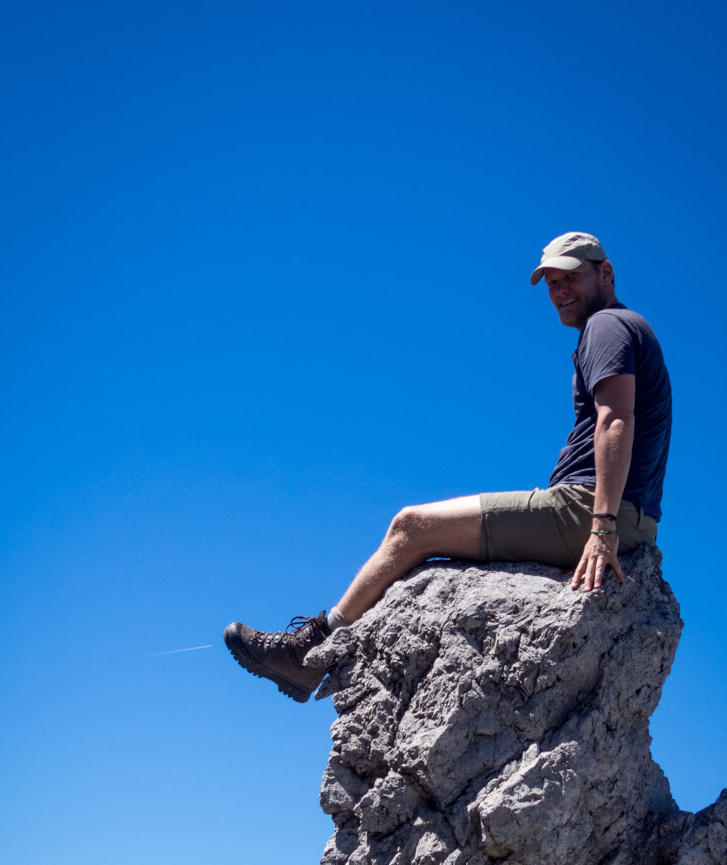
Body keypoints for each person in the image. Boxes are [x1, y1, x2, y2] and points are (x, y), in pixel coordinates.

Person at [224, 231, 672, 703]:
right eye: (551, 283)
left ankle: (306, 653)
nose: (559, 291)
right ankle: (315, 645)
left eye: (571, 278)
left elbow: (616, 417)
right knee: (421, 535)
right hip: (626, 516)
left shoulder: (607, 326)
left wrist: (601, 527)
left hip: (589, 511)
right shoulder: (626, 327)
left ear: (606, 272)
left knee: (410, 527)